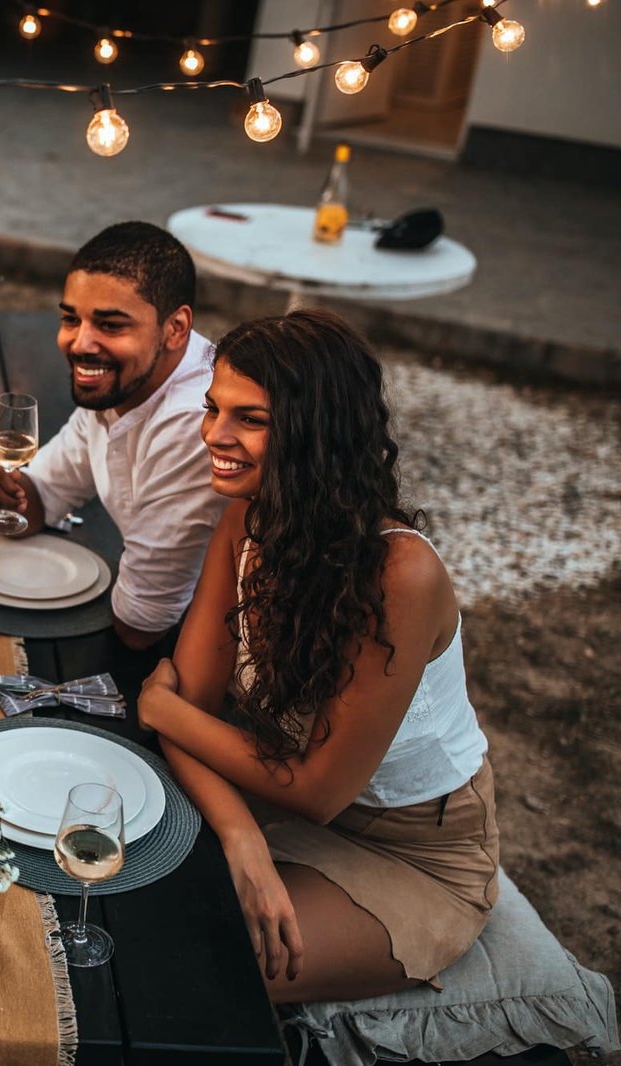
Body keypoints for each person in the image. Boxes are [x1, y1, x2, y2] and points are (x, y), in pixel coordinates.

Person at [138, 310, 496, 1003]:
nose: (215, 434)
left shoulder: (400, 576)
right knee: (125, 885)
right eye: (213, 409)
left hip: (413, 852)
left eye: (250, 419)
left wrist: (158, 708)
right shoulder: (248, 516)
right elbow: (192, 711)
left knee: (210, 971)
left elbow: (315, 792)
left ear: (316, 432)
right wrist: (240, 836)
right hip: (264, 798)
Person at [0, 221, 227, 655]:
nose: (80, 343)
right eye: (71, 319)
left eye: (110, 325)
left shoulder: (195, 420)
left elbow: (141, 625)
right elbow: (40, 500)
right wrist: (2, 488)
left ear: (176, 328)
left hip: (204, 654)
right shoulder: (123, 383)